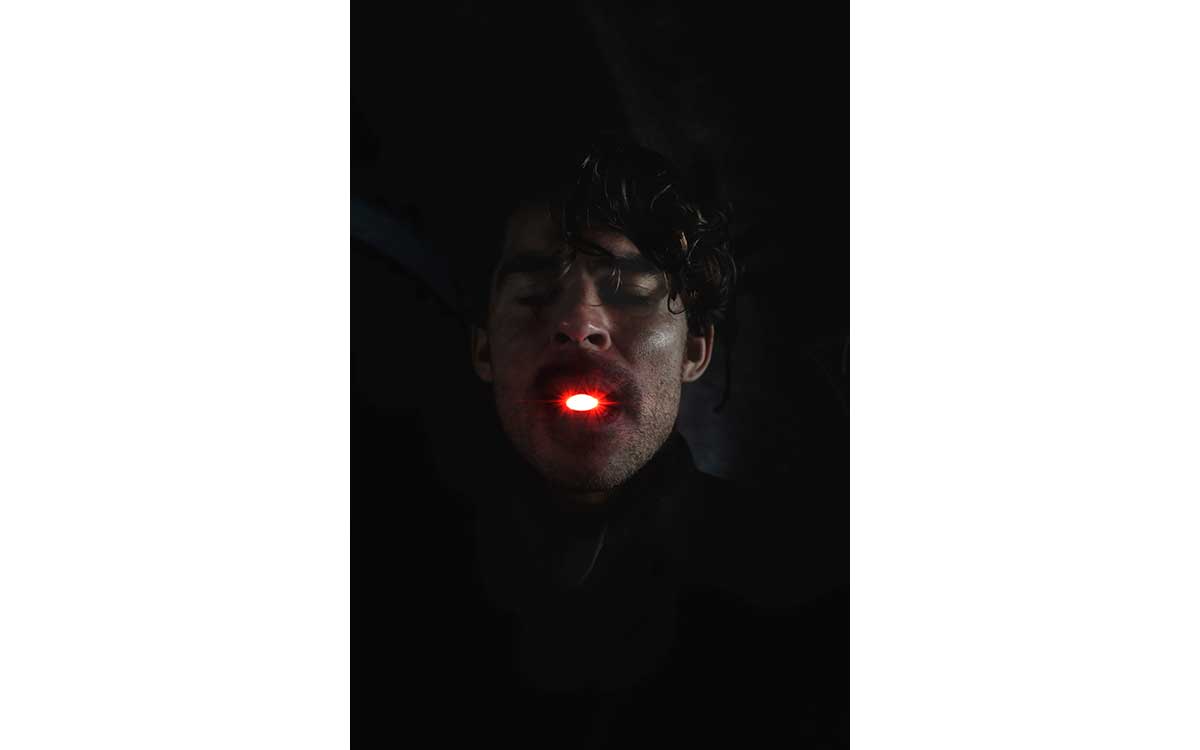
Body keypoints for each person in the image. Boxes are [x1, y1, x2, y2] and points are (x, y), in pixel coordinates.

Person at [364, 135, 846, 747]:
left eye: (630, 294)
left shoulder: (816, 596)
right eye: (536, 295)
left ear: (695, 350)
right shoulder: (372, 583)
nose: (579, 322)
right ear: (483, 348)